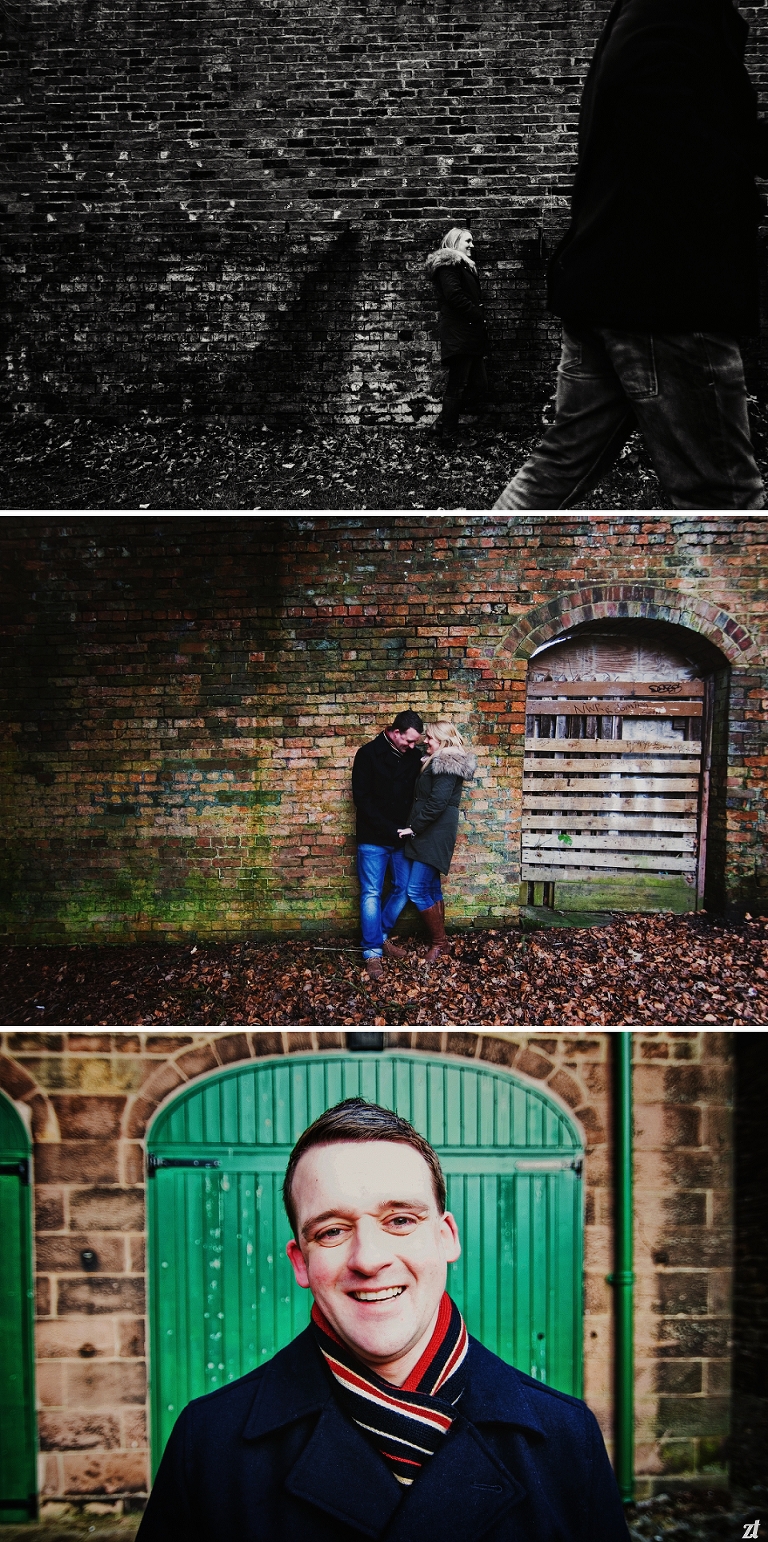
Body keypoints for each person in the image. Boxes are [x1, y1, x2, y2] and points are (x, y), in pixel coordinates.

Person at [136, 1097, 632, 1542]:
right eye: (331, 1231)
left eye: (400, 1220)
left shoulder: (567, 1438)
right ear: (300, 1263)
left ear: (446, 1237)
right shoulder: (209, 1444)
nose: (368, 1258)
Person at [493, 0, 768, 511]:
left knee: (558, 468)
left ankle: (478, 575)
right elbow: (697, 147)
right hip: (669, 295)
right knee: (724, 496)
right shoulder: (681, 15)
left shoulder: (640, 15)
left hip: (606, 285)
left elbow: (705, 128)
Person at [350, 709, 424, 982]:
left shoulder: (413, 756)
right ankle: (372, 952)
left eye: (416, 742)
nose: (413, 746)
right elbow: (362, 799)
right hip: (373, 837)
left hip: (402, 838)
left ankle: (379, 936)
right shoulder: (367, 755)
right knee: (371, 892)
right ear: (395, 733)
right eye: (409, 740)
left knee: (404, 888)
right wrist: (389, 829)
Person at [397, 721, 476, 962]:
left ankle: (440, 943)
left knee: (416, 889)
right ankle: (442, 944)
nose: (425, 741)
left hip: (434, 833)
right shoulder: (437, 762)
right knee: (431, 887)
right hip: (431, 832)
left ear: (442, 740)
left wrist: (413, 828)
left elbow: (437, 803)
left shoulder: (447, 764)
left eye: (430, 738)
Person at [425, 227, 489, 445]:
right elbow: (454, 295)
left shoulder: (462, 266)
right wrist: (477, 313)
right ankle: (449, 436)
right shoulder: (448, 265)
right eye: (468, 241)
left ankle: (442, 424)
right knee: (458, 384)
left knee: (477, 384)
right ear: (455, 243)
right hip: (459, 333)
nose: (472, 245)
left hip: (467, 333)